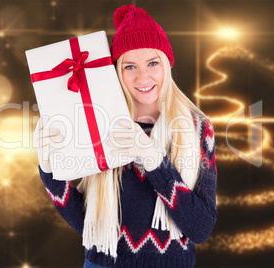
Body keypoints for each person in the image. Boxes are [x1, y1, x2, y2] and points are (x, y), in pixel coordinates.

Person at [34, 4, 217, 268]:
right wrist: (50, 171)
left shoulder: (198, 129)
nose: (143, 76)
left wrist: (155, 162)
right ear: (117, 71)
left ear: (166, 64)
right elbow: (88, 225)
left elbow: (201, 229)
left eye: (152, 63)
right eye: (130, 66)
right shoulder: (100, 124)